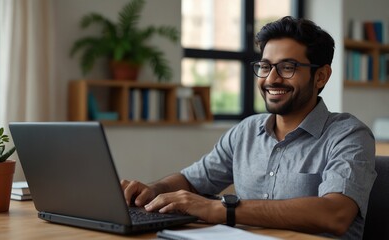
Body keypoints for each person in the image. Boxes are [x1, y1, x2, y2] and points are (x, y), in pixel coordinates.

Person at [120, 16, 376, 239]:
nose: (271, 79)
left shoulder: (349, 135)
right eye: (265, 67)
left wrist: (221, 210)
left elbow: (335, 214)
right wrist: (153, 190)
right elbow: (191, 181)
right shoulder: (246, 131)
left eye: (288, 68)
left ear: (321, 76)